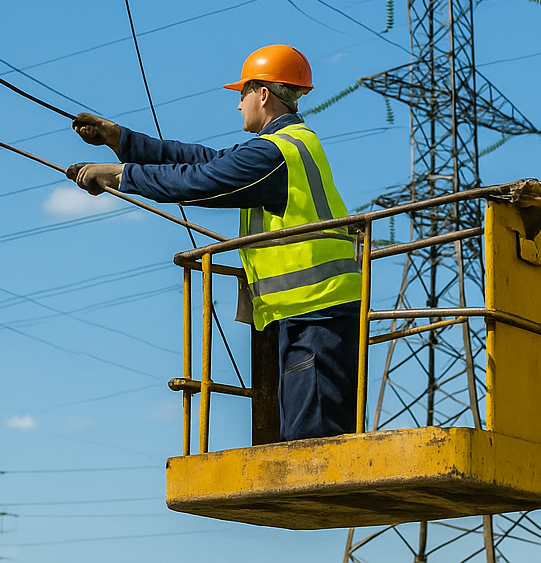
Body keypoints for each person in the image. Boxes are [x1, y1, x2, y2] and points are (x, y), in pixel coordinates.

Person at [67, 44, 360, 441]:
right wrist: (123, 140)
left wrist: (122, 175)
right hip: (312, 314)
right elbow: (207, 161)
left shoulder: (275, 154)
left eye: (242, 94)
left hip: (317, 316)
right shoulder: (286, 145)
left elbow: (199, 180)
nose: (238, 105)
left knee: (314, 448)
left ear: (263, 94)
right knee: (305, 445)